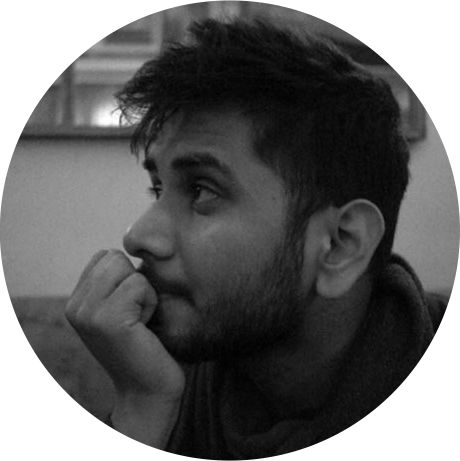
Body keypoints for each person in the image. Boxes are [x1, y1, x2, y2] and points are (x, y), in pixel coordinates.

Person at [65, 18, 447, 457]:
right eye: (157, 189)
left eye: (202, 190)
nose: (138, 236)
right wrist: (142, 405)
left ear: (341, 245)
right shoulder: (157, 371)